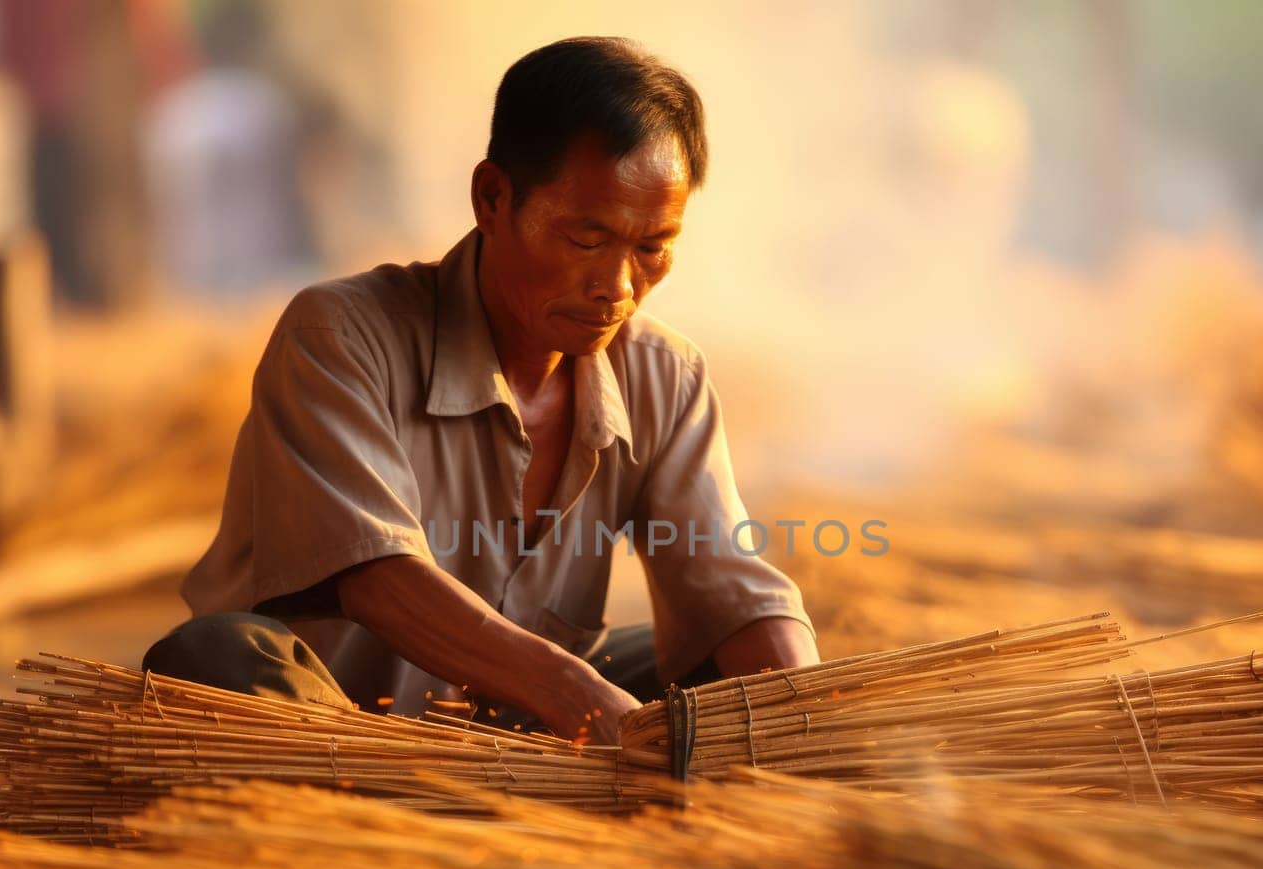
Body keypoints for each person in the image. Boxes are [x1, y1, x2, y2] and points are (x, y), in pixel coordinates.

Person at [144, 36, 819, 745]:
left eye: (652, 247)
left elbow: (731, 588)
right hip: (337, 736)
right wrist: (584, 698)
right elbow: (376, 574)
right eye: (588, 239)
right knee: (215, 660)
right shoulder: (342, 335)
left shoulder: (666, 377)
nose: (619, 287)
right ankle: (388, 803)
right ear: (493, 198)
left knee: (725, 674)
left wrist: (812, 714)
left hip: (532, 731)